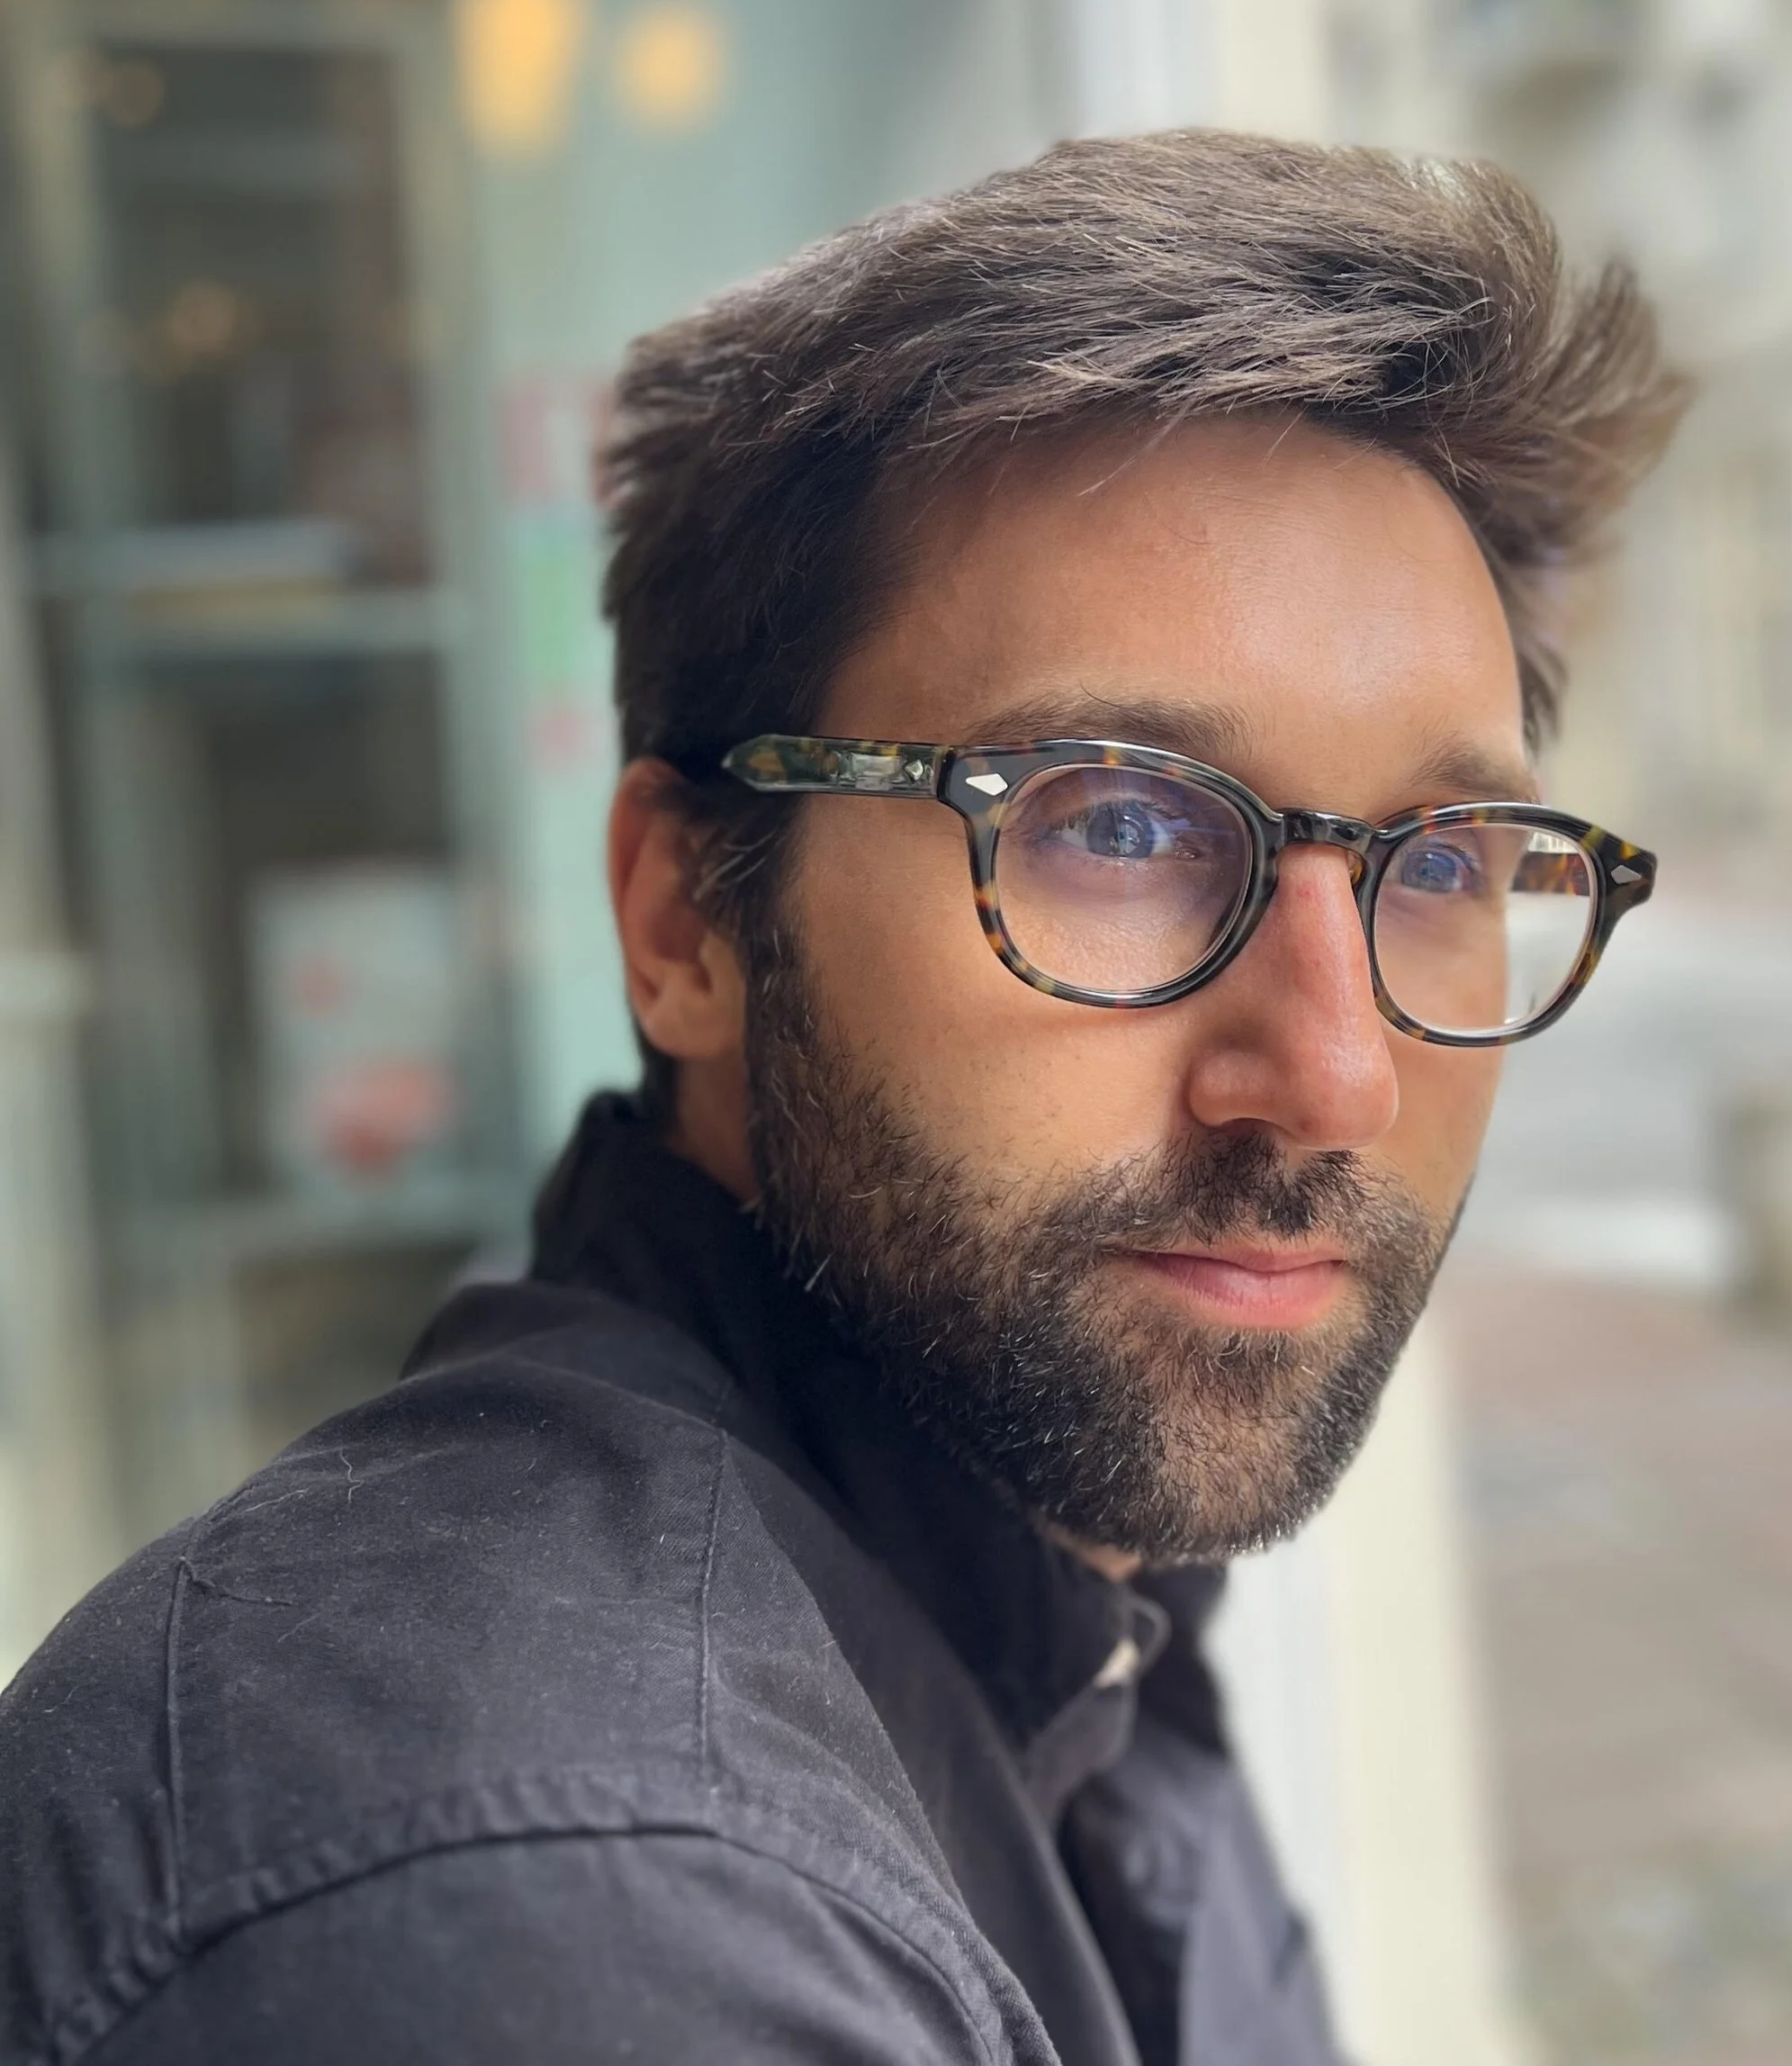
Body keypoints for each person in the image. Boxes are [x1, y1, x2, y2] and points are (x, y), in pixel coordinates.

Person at [0, 131, 1679, 2065]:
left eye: (1443, 860)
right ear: (685, 916)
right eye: (1116, 824)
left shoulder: (1061, 1591)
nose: (1331, 1073)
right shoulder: (574, 1908)